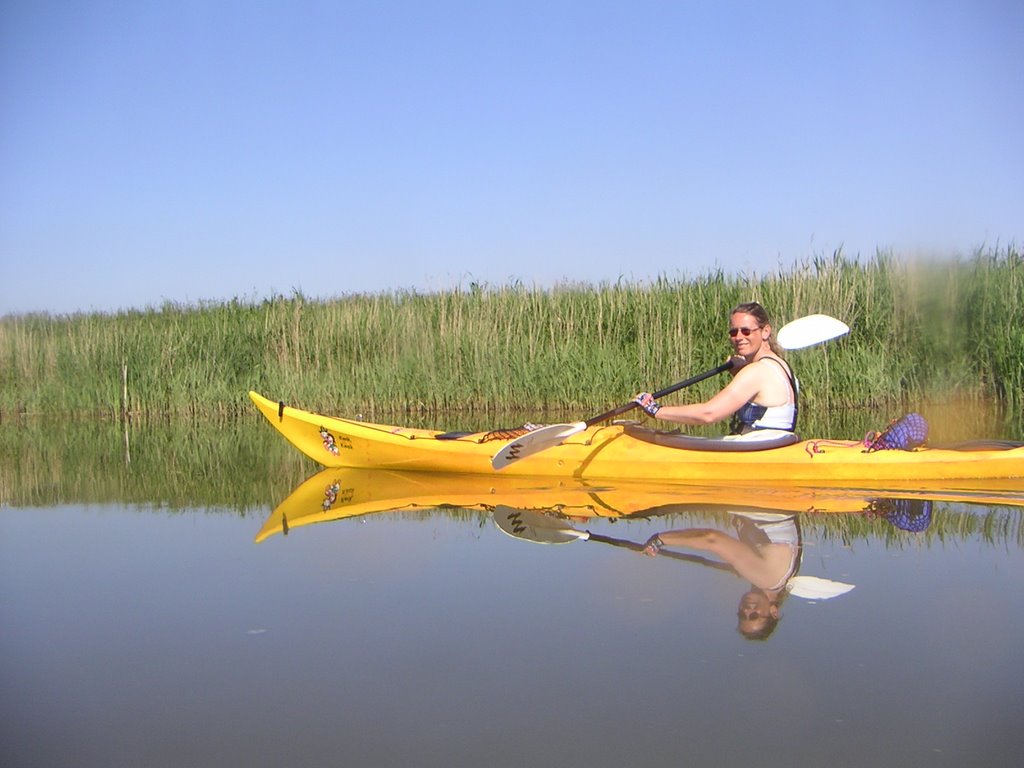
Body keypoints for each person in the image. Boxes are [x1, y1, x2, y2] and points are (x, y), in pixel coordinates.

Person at [634, 301, 798, 435]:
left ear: (765, 331)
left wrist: (656, 410)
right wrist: (739, 372)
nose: (739, 337)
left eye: (746, 331)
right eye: (734, 332)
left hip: (757, 456)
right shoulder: (781, 365)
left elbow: (709, 414)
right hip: (772, 447)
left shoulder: (756, 371)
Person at [642, 512, 803, 640]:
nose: (747, 610)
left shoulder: (782, 578)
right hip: (761, 504)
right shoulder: (764, 579)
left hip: (765, 507)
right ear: (774, 612)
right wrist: (659, 540)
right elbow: (711, 539)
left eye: (742, 614)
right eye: (754, 615)